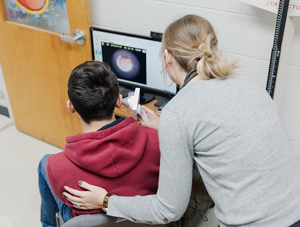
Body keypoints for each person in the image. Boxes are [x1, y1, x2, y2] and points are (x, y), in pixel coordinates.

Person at [62, 14, 300, 227]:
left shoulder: (179, 112)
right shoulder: (249, 84)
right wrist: (164, 123)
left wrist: (105, 201)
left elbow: (167, 210)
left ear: (167, 56)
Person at [37, 61, 161, 227]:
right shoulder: (158, 141)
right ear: (119, 101)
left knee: (44, 162)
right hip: (143, 219)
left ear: (71, 106)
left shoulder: (56, 166)